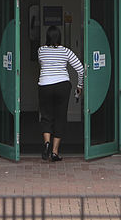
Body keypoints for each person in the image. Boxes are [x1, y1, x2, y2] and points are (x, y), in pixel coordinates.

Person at [37, 25, 84, 161]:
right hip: (62, 86)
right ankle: (55, 152)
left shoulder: (41, 50)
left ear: (47, 37)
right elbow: (81, 69)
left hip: (45, 85)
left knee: (46, 116)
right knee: (60, 117)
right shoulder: (66, 52)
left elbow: (42, 64)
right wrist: (79, 85)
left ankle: (46, 143)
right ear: (59, 37)